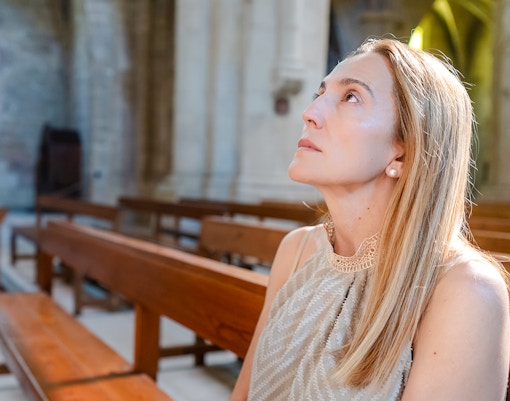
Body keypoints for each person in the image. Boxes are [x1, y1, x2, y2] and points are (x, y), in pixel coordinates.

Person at [229, 37, 510, 400]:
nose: (310, 112)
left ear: (405, 151)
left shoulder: (465, 291)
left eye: (351, 97)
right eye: (321, 92)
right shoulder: (296, 251)